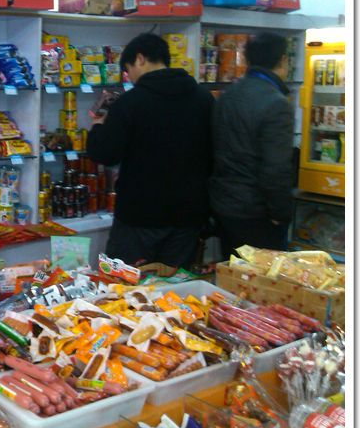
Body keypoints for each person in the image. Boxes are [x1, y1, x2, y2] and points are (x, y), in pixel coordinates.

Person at [86, 32, 214, 268]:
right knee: (177, 286)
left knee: (125, 285)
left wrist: (97, 127)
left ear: (140, 59)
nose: (130, 78)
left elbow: (104, 154)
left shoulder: (130, 103)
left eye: (128, 70)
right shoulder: (204, 99)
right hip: (188, 217)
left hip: (139, 217)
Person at [210, 32, 294, 255]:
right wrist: (280, 213)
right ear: (283, 59)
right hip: (257, 212)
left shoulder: (227, 95)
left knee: (232, 271)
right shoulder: (276, 103)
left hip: (224, 205)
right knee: (264, 274)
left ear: (247, 59)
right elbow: (276, 169)